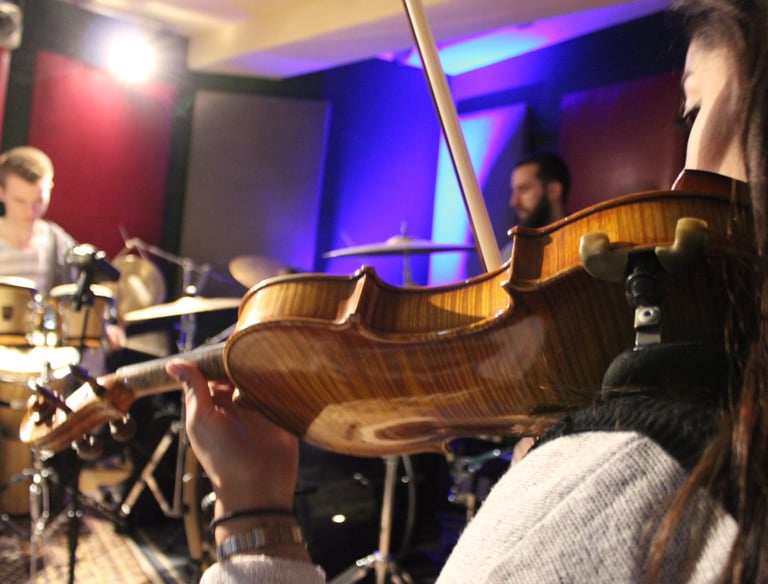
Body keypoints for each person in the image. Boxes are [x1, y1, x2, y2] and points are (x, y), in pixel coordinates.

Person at [167, 0, 767, 581]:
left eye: (695, 114)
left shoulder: (637, 481)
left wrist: (253, 510)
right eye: (688, 116)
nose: (689, 172)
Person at [500, 152, 570, 259]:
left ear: (553, 190)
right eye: (514, 191)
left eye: (524, 189)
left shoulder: (582, 243)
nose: (514, 202)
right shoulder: (511, 254)